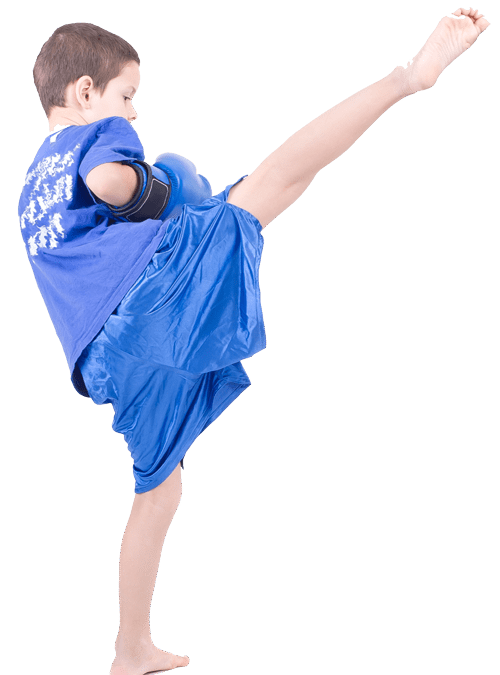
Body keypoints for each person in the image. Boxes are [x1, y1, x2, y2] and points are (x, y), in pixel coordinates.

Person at [18, 9, 490, 675]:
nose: (133, 111)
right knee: (269, 182)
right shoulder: (97, 133)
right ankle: (409, 78)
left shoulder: (31, 187)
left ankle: (130, 647)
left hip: (104, 359)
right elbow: (111, 182)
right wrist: (153, 190)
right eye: (127, 95)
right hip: (148, 301)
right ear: (86, 92)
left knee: (159, 490)